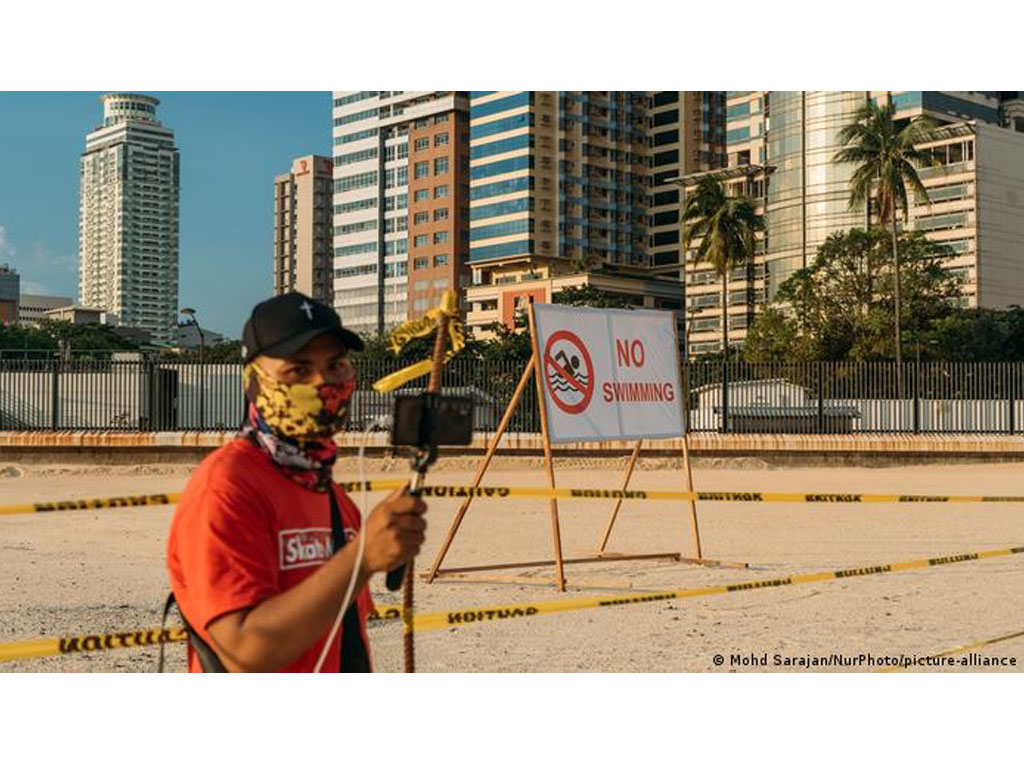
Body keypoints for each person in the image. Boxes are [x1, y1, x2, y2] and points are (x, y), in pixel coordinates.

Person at [166, 292, 426, 672]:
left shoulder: (333, 494)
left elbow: (343, 639)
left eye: (336, 364)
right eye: (298, 370)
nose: (323, 382)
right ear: (254, 382)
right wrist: (364, 556)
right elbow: (243, 652)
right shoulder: (226, 486)